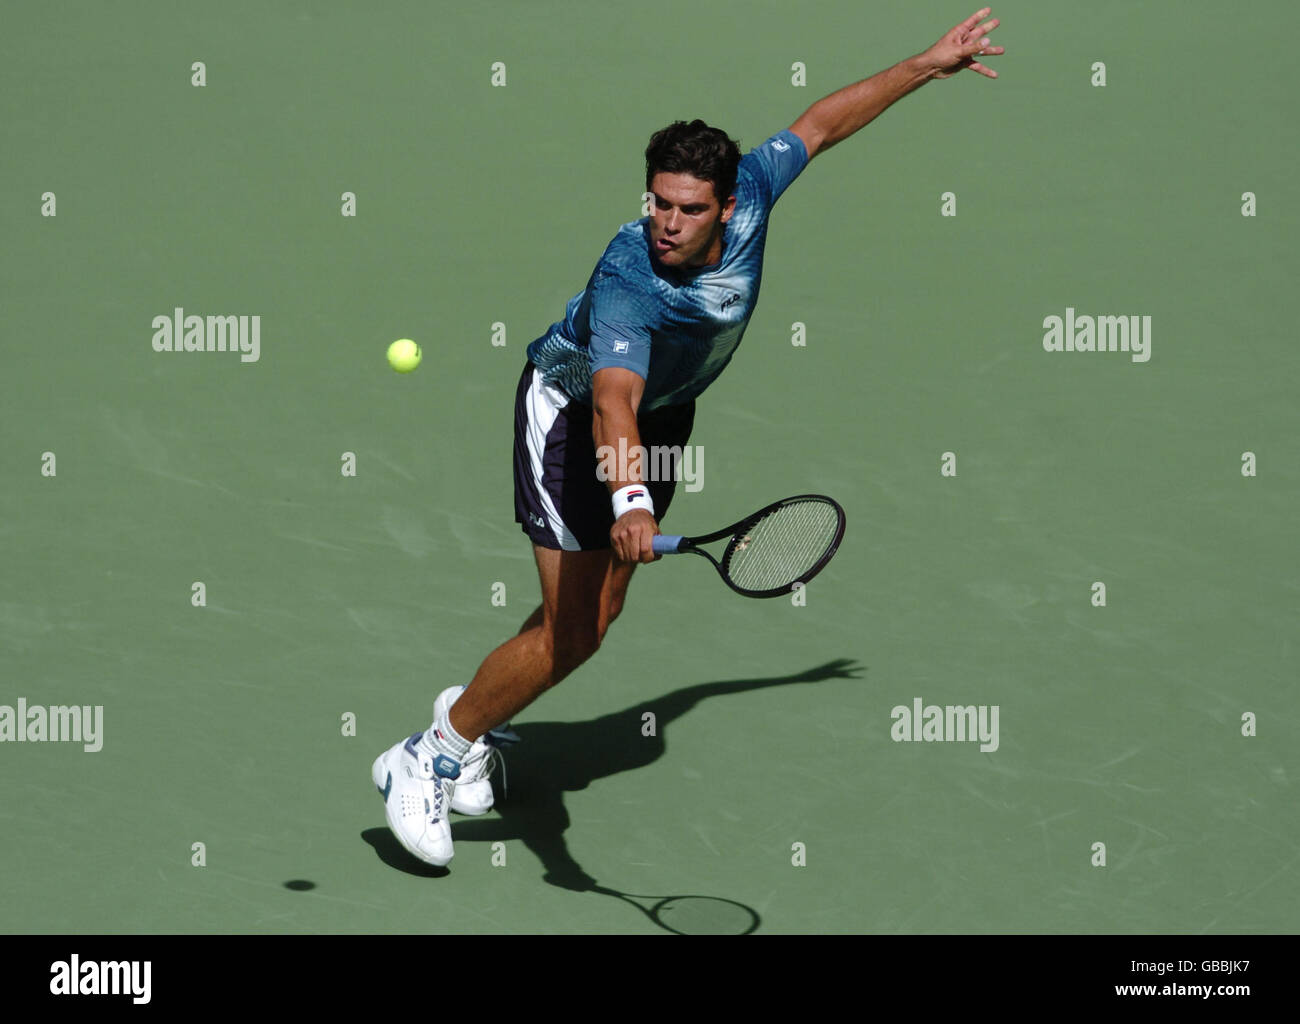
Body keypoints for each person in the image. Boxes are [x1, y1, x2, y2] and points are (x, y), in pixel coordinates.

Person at [374, 8, 1004, 867]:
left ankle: (481, 713)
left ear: (728, 204)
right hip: (571, 422)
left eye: (688, 208)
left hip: (666, 417)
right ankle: (432, 751)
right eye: (659, 203)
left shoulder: (754, 193)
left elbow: (821, 125)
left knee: (597, 612)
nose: (668, 222)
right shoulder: (631, 274)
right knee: (574, 633)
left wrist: (928, 65)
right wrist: (629, 497)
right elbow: (613, 400)